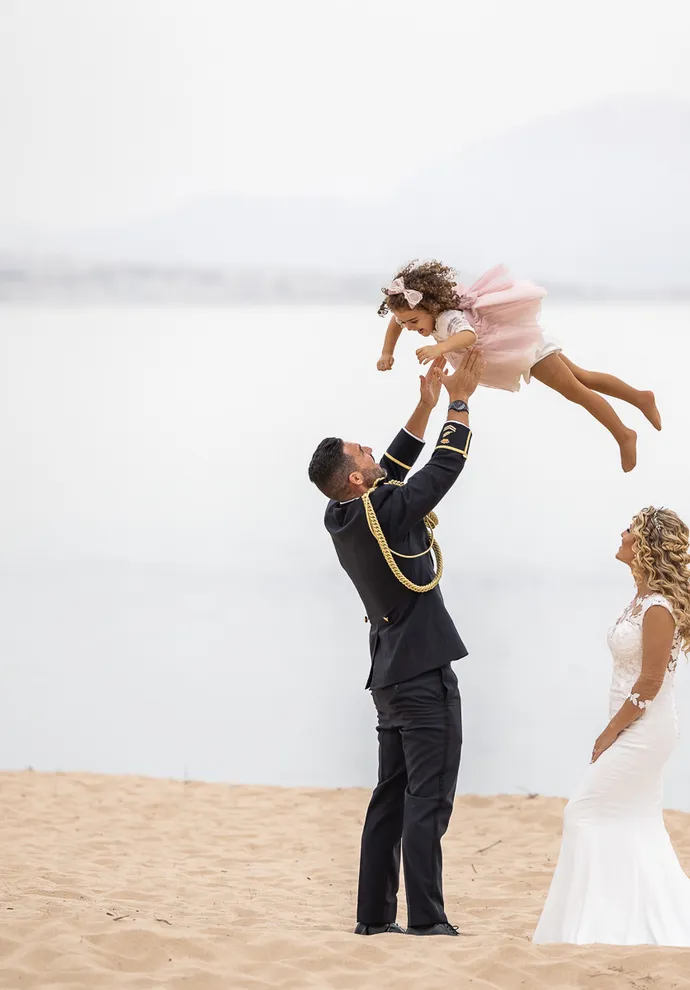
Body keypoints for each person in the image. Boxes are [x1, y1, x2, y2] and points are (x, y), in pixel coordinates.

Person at [308, 351, 484, 936]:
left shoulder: (342, 514)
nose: (373, 456)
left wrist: (424, 404)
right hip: (422, 673)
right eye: (364, 454)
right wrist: (459, 402)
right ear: (358, 478)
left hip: (387, 677)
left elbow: (393, 467)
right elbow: (441, 470)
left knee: (389, 799)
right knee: (427, 799)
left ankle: (374, 918)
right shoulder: (384, 508)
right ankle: (429, 921)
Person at [533, 507, 690, 945]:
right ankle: (630, 925)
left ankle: (597, 922)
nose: (622, 534)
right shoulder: (640, 600)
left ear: (645, 547)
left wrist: (609, 733)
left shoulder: (658, 606)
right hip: (634, 724)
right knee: (637, 823)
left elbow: (652, 681)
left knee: (581, 812)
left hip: (647, 730)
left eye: (630, 530)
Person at [377, 260, 661, 473]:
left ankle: (623, 433)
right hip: (523, 345)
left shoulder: (447, 318)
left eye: (414, 322)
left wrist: (440, 347)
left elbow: (468, 335)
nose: (410, 328)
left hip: (526, 352)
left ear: (430, 308)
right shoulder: (420, 316)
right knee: (583, 377)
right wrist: (387, 352)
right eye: (406, 323)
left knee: (576, 391)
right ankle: (640, 397)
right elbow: (395, 322)